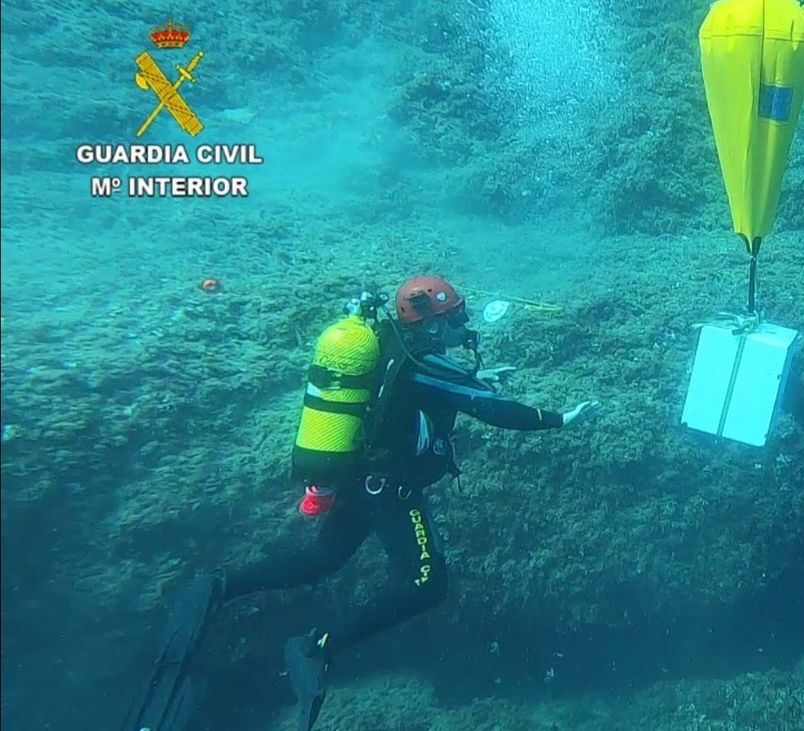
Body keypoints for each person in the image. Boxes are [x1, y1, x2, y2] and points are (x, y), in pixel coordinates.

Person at [121, 275, 595, 731]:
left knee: (320, 560)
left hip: (358, 477)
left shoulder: (390, 346)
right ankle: (316, 646)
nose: (462, 326)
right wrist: (559, 419)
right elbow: (491, 408)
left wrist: (479, 377)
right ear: (431, 323)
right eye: (455, 317)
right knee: (426, 583)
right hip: (389, 488)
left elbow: (416, 393)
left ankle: (219, 585)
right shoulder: (426, 364)